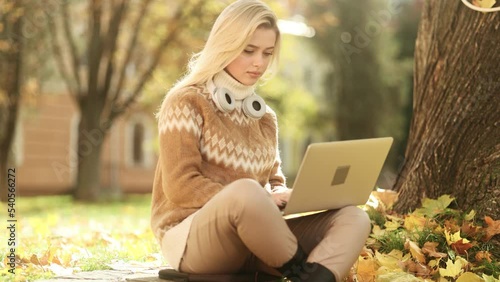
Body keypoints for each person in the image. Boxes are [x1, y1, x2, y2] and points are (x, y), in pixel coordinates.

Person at [150, 0, 371, 281]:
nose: (259, 63)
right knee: (246, 192)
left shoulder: (264, 117)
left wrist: (291, 195)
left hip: (258, 240)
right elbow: (180, 186)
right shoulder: (186, 102)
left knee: (353, 218)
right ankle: (300, 269)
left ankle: (313, 277)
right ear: (225, 45)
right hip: (192, 239)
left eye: (267, 53)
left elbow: (274, 183)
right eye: (249, 50)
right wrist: (260, 197)